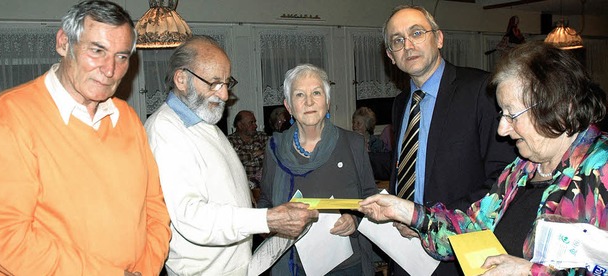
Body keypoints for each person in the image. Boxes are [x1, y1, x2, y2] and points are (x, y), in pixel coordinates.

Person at [359, 41, 608, 275]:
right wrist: (409, 212)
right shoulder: (521, 170)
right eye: (502, 114)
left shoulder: (601, 171)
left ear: (556, 105)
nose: (502, 129)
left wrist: (529, 271)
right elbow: (471, 228)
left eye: (512, 115)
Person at [0, 1, 171, 275]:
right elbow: (6, 238)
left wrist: (145, 270)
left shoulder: (128, 118)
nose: (110, 69)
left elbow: (155, 209)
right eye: (97, 51)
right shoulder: (8, 116)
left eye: (122, 56)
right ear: (64, 43)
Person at [144, 35, 318, 275]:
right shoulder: (166, 130)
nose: (224, 95)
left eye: (227, 83)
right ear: (182, 79)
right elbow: (191, 216)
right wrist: (266, 219)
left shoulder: (202, 121)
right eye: (214, 83)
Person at [382, 5, 517, 275]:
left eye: (416, 33)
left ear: (439, 38)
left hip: (458, 253)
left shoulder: (481, 90)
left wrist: (426, 221)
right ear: (391, 56)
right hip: (403, 252)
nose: (408, 45)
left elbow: (503, 179)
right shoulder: (400, 104)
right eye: (397, 40)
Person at [257, 64, 378, 276]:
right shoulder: (274, 148)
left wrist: (354, 219)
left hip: (345, 266)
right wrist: (274, 223)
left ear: (327, 101)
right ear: (289, 106)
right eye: (299, 95)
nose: (309, 101)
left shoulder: (353, 144)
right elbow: (266, 202)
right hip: (292, 265)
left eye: (316, 93)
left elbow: (370, 198)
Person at [228, 110, 269, 202]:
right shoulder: (229, 141)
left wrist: (244, 156)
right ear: (240, 125)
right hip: (239, 187)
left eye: (255, 122)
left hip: (262, 188)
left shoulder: (262, 137)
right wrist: (258, 153)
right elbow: (233, 160)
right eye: (251, 122)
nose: (255, 125)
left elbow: (272, 154)